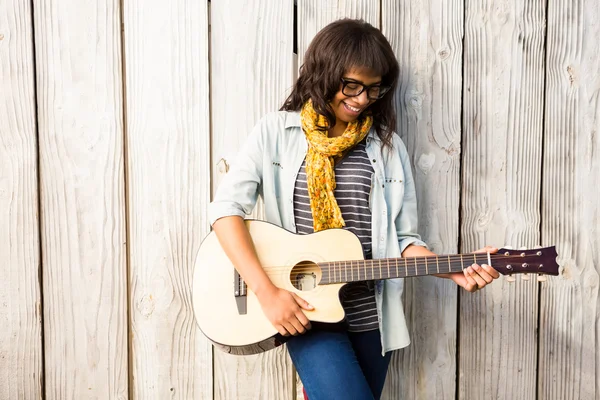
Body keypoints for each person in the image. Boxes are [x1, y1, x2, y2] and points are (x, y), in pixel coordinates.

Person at [208, 18, 500, 400]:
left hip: (372, 319)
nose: (362, 99)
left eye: (373, 89)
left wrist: (453, 269)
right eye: (352, 85)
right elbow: (225, 211)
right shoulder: (275, 133)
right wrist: (266, 292)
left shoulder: (386, 147)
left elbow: (405, 239)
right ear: (324, 73)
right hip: (305, 313)